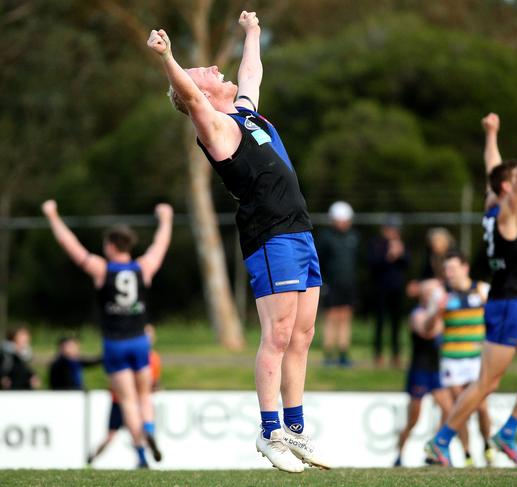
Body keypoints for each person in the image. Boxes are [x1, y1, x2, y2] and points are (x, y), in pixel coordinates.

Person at [147, 11, 328, 473]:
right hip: (270, 236)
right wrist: (169, 59)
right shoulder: (214, 127)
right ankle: (270, 434)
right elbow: (187, 94)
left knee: (303, 335)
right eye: (203, 72)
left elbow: (251, 71)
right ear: (202, 94)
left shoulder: (244, 113)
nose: (212, 69)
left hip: (300, 229)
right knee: (279, 334)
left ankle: (296, 429)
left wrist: (254, 32)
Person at [425, 112, 517, 468]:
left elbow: (494, 170)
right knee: (485, 383)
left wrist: (491, 134)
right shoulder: (507, 213)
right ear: (508, 189)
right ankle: (441, 441)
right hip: (506, 306)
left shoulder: (492, 205)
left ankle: (508, 432)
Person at [42, 200, 172, 468]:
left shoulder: (102, 269)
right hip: (140, 341)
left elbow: (72, 247)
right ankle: (148, 429)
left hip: (114, 343)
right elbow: (160, 245)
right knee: (144, 395)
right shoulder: (143, 267)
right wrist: (166, 219)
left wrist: (53, 215)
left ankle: (140, 451)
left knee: (126, 400)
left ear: (111, 246)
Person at [439, 251, 494, 466]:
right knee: (459, 407)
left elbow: (498, 317)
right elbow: (428, 328)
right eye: (446, 270)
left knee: (481, 406)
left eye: (452, 268)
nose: (449, 273)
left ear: (465, 268)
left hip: (475, 359)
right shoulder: (443, 295)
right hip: (451, 358)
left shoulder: (482, 290)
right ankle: (467, 453)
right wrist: (436, 312)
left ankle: (487, 444)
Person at [394, 279, 451, 467]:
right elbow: (427, 330)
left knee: (449, 411)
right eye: (430, 292)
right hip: (419, 371)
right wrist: (437, 311)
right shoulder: (417, 315)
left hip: (436, 372)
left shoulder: (441, 315)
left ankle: (436, 449)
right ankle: (399, 455)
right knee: (413, 420)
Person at [88, 324, 163, 465]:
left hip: (125, 401)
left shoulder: (150, 357)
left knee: (123, 431)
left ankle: (141, 459)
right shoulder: (149, 357)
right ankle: (148, 431)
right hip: (129, 401)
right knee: (116, 434)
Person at [317, 201, 359, 367]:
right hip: (331, 284)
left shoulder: (353, 237)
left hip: (348, 284)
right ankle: (328, 353)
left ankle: (343, 353)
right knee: (331, 317)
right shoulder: (326, 238)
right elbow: (319, 261)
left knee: (345, 317)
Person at [368, 216, 409, 368]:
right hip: (380, 288)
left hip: (396, 289)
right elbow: (373, 264)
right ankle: (378, 353)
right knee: (379, 322)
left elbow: (406, 263)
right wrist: (390, 256)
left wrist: (401, 254)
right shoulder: (376, 243)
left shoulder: (400, 244)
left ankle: (396, 354)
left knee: (396, 324)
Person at [0, 326, 39, 390]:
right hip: (11, 388)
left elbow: (27, 369)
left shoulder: (27, 353)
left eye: (26, 336)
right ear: (13, 337)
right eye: (22, 336)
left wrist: (33, 376)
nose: (25, 338)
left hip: (26, 388)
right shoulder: (5, 352)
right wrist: (2, 378)